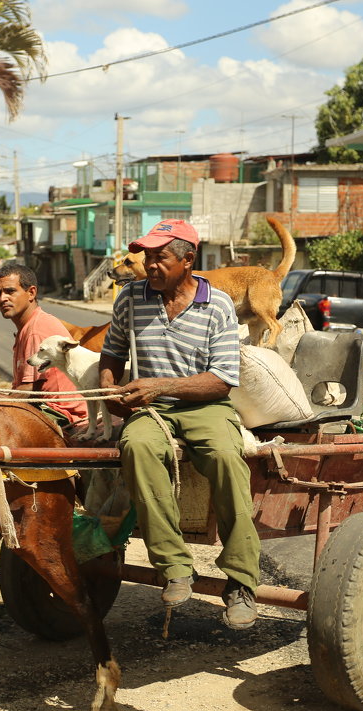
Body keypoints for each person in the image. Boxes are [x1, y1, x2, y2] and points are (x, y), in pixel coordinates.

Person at [98, 219, 260, 630]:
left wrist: (159, 386)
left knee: (226, 456)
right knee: (136, 447)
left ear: (188, 260)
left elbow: (221, 379)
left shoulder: (218, 304)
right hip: (152, 410)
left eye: (160, 257)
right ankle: (175, 567)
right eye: (147, 257)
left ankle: (241, 582)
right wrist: (110, 393)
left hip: (205, 405)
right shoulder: (130, 298)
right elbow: (112, 355)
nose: (150, 265)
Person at [0, 264, 88, 433]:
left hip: (62, 414)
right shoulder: (28, 326)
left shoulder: (36, 330)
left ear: (31, 293)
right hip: (44, 408)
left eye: (10, 291)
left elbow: (28, 390)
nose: (2, 298)